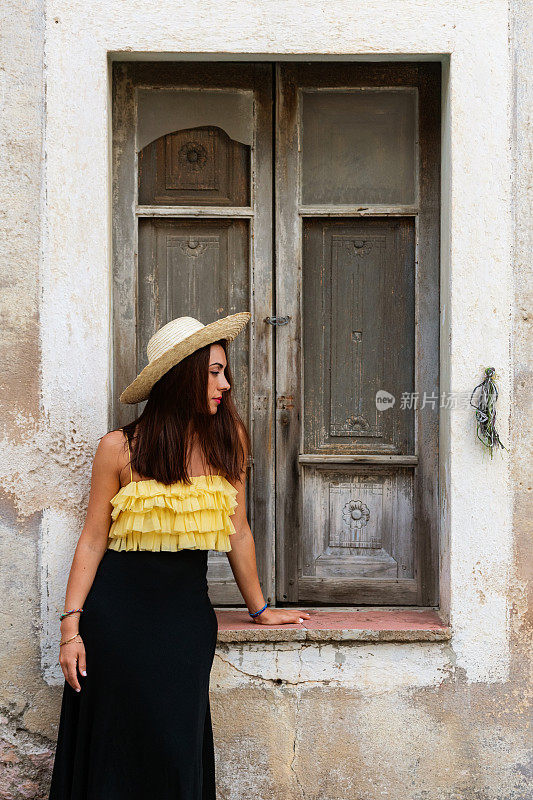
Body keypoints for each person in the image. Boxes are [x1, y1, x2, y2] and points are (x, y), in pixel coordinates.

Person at [48, 312, 310, 799]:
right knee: (115, 751)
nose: (226, 385)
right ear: (182, 376)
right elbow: (92, 540)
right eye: (214, 373)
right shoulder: (118, 449)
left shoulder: (229, 443)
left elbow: (239, 532)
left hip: (184, 626)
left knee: (175, 750)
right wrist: (71, 630)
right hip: (115, 628)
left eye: (224, 373)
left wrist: (261, 608)